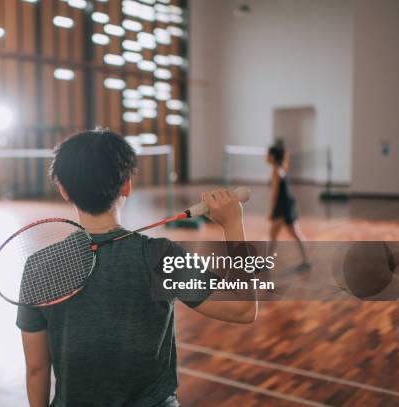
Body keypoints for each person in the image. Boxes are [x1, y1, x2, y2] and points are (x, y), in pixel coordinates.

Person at [16, 129, 257, 407]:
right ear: (127, 185)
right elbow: (243, 308)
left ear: (64, 191)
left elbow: (36, 370)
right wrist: (233, 225)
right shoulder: (160, 256)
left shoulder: (37, 266)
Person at [266, 144, 309, 269]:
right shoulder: (281, 168)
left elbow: (274, 194)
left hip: (283, 207)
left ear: (273, 156)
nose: (266, 157)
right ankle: (306, 261)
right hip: (288, 204)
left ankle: (267, 263)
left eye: (268, 154)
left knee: (277, 233)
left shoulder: (276, 171)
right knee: (291, 233)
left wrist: (271, 212)